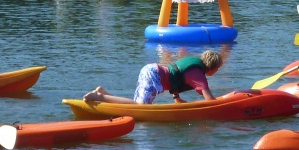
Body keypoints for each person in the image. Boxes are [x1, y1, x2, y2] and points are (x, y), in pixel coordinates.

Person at [83, 50, 223, 105]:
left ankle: (103, 93)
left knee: (138, 105)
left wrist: (177, 99)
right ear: (213, 67)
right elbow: (210, 101)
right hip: (154, 74)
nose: (217, 71)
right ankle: (100, 97)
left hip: (151, 69)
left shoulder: (193, 65)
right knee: (140, 107)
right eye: (217, 69)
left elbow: (175, 76)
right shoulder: (198, 75)